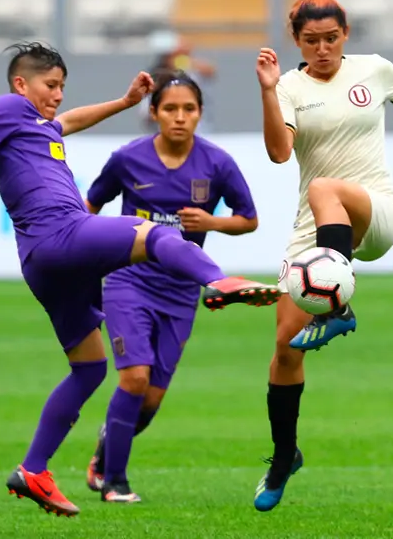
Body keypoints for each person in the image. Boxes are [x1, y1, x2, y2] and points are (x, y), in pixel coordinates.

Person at [0, 42, 280, 518]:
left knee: (90, 367)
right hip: (60, 232)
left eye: (63, 87)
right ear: (20, 84)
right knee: (153, 233)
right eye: (50, 86)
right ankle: (218, 281)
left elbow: (73, 121)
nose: (58, 95)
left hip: (41, 262)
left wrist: (124, 103)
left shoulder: (40, 126)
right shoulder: (8, 110)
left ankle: (33, 470)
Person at [252, 0, 393, 512]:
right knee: (284, 346)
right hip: (315, 228)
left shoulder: (374, 70)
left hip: (375, 212)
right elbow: (281, 155)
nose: (323, 49)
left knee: (328, 188)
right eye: (312, 42)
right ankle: (285, 457)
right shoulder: (287, 87)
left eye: (332, 38)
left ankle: (340, 301)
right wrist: (265, 89)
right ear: (297, 41)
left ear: (345, 33)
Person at [81, 70, 258, 503]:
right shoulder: (127, 159)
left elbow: (248, 218)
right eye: (170, 109)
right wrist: (83, 251)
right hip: (129, 281)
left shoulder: (217, 164)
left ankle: (105, 453)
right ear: (154, 112)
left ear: (199, 113)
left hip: (181, 292)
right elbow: (90, 203)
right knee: (135, 378)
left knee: (152, 399)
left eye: (189, 109)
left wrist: (213, 222)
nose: (180, 117)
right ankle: (115, 483)